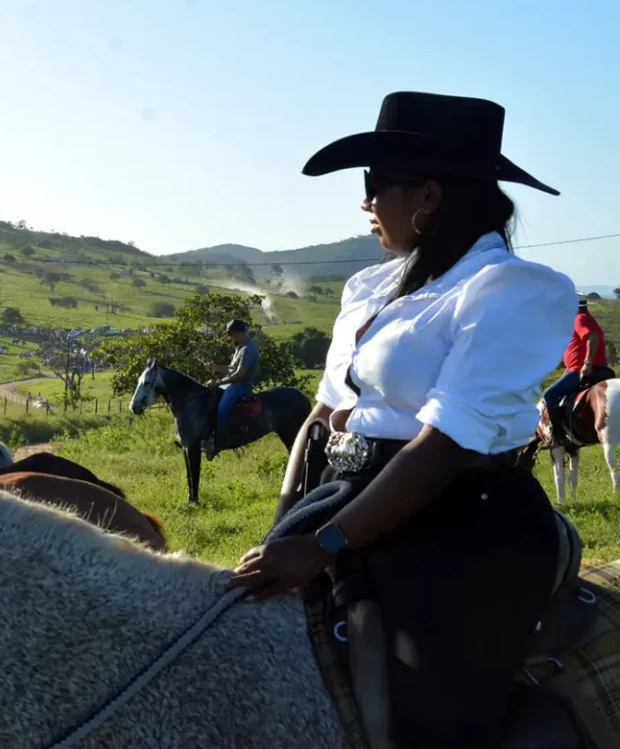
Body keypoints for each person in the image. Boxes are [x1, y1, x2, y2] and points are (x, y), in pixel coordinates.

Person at [228, 92, 576, 748]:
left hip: (458, 524)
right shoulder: (368, 289)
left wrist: (325, 545)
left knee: (426, 726)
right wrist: (288, 523)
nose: (364, 204)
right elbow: (329, 416)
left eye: (374, 185)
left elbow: (443, 446)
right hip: (344, 500)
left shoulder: (512, 290)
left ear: (429, 197)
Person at [542, 299, 614, 445]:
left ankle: (558, 435)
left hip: (582, 370)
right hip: (598, 369)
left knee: (549, 395)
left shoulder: (579, 319)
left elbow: (592, 336)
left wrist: (587, 363)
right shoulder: (588, 318)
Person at [201, 319, 260, 458]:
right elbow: (232, 368)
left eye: (231, 334)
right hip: (234, 382)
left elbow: (239, 374)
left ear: (240, 333)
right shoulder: (240, 346)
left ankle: (218, 442)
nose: (230, 337)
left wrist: (218, 382)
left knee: (222, 409)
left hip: (242, 385)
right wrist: (216, 367)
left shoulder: (248, 349)